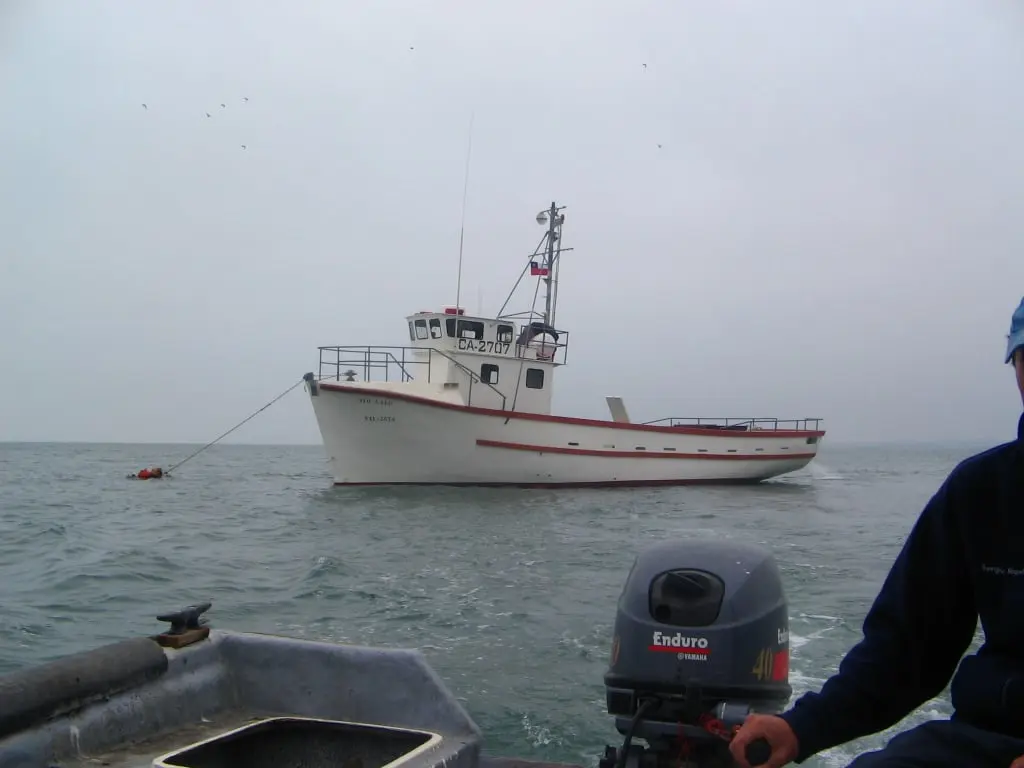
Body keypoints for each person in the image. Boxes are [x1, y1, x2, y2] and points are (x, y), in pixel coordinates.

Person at [731, 296, 1024, 768]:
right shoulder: (981, 490)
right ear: (1014, 365)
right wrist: (802, 726)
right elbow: (908, 649)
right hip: (985, 739)